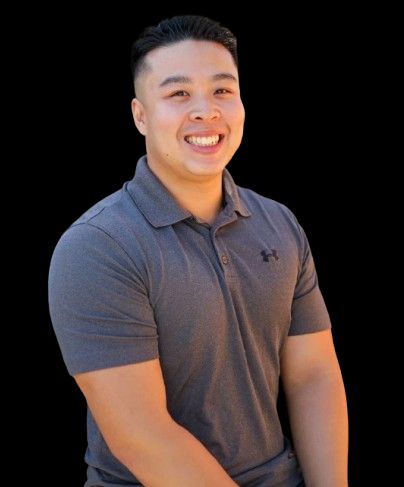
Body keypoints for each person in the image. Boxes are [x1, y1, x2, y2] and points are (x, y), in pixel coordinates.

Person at [48, 15, 348, 486]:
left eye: (222, 90)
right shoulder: (97, 247)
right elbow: (142, 436)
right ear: (140, 115)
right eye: (179, 94)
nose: (206, 111)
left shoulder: (279, 223)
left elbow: (313, 375)